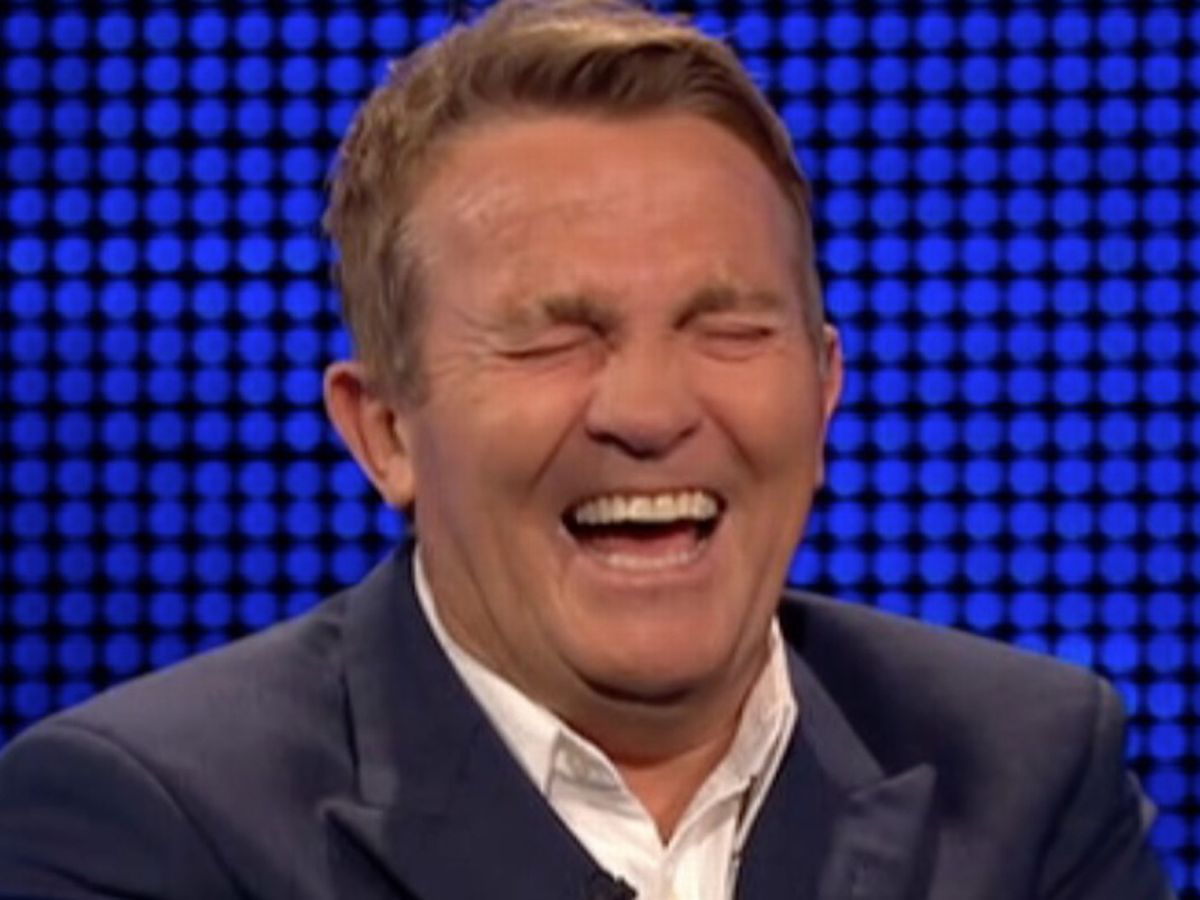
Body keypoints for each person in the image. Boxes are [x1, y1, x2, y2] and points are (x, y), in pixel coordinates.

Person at [0, 1, 1175, 898]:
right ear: (385, 431)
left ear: (824, 395)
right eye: (552, 340)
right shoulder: (149, 828)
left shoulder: (1026, 778)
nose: (650, 410)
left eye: (729, 330)